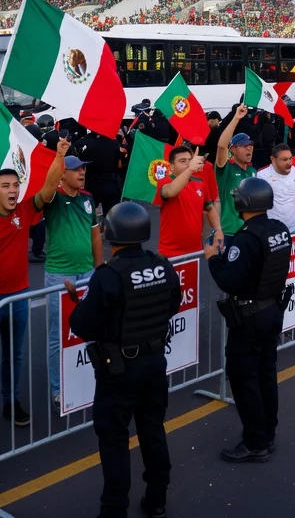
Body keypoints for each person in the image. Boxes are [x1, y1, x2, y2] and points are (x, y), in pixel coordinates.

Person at [68, 202, 181, 518]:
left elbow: (82, 325)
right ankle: (157, 497)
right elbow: (173, 302)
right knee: (152, 429)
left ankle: (114, 509)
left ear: (110, 234)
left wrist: (80, 304)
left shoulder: (107, 275)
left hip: (118, 370)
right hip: (155, 363)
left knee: (115, 439)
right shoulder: (162, 265)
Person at [205, 177, 291, 462]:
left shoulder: (246, 237)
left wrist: (213, 259)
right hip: (272, 310)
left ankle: (255, 441)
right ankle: (268, 431)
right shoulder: (279, 230)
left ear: (243, 202)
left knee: (244, 377)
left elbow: (230, 280)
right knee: (266, 372)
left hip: (251, 316)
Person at [0, 162, 56, 428]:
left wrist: (59, 156)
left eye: (16, 185)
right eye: (5, 186)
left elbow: (49, 191)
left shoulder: (26, 210)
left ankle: (11, 403)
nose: (12, 190)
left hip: (18, 297)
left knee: (14, 355)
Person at [37, 140, 104, 405]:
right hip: (59, 276)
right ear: (62, 174)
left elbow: (95, 236)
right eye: (76, 169)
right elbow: (45, 192)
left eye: (83, 169)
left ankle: (86, 378)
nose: (82, 173)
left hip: (87, 272)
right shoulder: (52, 198)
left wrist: (99, 268)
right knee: (59, 334)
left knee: (91, 328)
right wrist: (60, 156)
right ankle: (58, 388)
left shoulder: (88, 199)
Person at [155, 145, 217, 259]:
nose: (188, 164)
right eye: (182, 161)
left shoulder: (200, 183)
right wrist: (190, 169)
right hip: (170, 252)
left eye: (190, 160)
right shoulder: (165, 182)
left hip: (196, 251)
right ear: (171, 167)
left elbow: (210, 207)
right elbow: (169, 192)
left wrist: (218, 230)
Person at [215, 107, 258, 240]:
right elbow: (222, 146)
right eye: (245, 146)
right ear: (233, 149)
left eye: (251, 145)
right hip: (230, 233)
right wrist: (236, 118)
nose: (249, 148)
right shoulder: (226, 169)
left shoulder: (253, 171)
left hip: (251, 232)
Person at [78, 128, 126, 217]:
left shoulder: (88, 144)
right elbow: (121, 161)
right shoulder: (114, 143)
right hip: (110, 182)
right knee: (111, 216)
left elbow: (81, 160)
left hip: (93, 183)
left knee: (89, 214)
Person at [256, 142, 295, 230]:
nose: (289, 163)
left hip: (292, 227)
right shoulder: (262, 176)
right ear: (273, 159)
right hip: (271, 228)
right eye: (284, 160)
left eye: (290, 159)